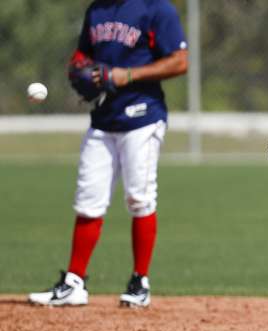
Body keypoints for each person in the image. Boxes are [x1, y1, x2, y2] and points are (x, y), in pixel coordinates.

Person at [29, 0, 188, 308]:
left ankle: (140, 281)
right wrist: (79, 70)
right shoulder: (97, 10)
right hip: (103, 119)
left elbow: (179, 62)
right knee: (88, 200)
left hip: (142, 117)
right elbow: (83, 54)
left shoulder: (156, 8)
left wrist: (125, 75)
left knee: (139, 198)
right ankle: (74, 282)